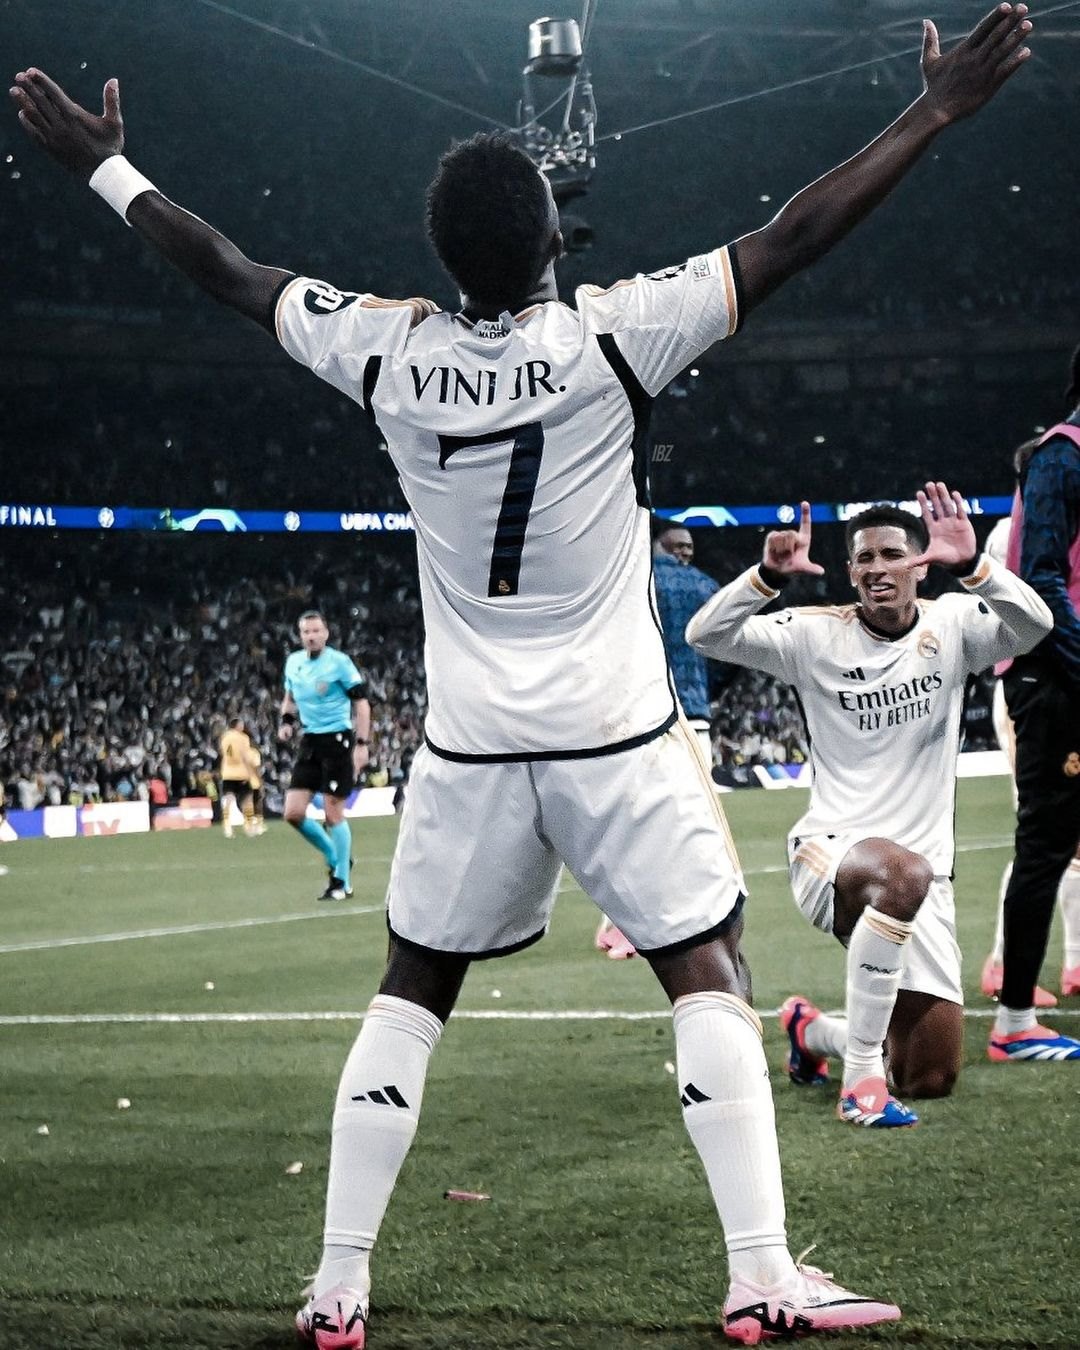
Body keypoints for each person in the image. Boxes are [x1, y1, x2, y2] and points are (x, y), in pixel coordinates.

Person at [11, 9, 1034, 1340]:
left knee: (410, 987)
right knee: (706, 970)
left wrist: (103, 166)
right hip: (616, 731)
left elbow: (227, 265)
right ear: (554, 237)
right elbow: (795, 232)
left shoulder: (378, 343)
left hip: (472, 742)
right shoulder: (617, 335)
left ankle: (337, 1281)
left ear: (442, 256)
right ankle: (763, 1273)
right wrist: (936, 112)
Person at [687, 486, 1052, 1125]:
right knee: (900, 873)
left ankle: (811, 1033)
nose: (875, 569)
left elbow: (1034, 626)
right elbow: (705, 634)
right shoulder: (813, 635)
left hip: (924, 878)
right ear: (851, 572)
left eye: (890, 555)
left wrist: (976, 568)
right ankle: (860, 1082)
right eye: (863, 559)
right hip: (832, 853)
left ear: (919, 564)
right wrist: (766, 577)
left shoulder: (954, 624)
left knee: (929, 1074)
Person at [990, 345, 1080, 1061]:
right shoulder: (1061, 457)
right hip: (1055, 679)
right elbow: (1042, 583)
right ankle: (1015, 1020)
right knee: (1046, 847)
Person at [596, 521, 720, 959]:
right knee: (689, 819)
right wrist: (709, 686)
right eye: (680, 546)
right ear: (663, 546)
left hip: (638, 713)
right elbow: (730, 644)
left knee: (638, 815)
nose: (686, 553)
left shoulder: (629, 579)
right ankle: (662, 919)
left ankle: (617, 916)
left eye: (688, 547)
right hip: (690, 713)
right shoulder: (705, 585)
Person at [980, 455, 1075, 1008]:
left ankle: (1072, 965)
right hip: (1036, 683)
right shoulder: (1013, 531)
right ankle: (1002, 966)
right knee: (1045, 834)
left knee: (1063, 837)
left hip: (1043, 680)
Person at [279, 613, 371, 901]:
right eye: (306, 631)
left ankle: (341, 882)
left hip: (337, 740)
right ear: (300, 635)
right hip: (309, 741)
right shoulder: (293, 662)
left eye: (316, 630)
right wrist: (286, 722)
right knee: (293, 813)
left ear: (326, 633)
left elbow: (362, 704)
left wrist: (362, 744)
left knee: (333, 814)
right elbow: (289, 697)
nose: (311, 636)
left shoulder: (340, 663)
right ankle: (336, 857)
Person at [218, 716, 257, 840]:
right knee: (247, 799)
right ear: (237, 726)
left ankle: (227, 825)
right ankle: (249, 826)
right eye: (241, 724)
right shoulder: (243, 738)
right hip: (241, 772)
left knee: (229, 798)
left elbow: (225, 753)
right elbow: (245, 756)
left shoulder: (224, 737)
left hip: (227, 772)